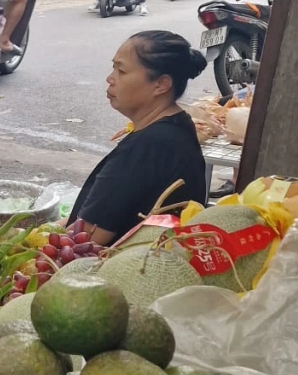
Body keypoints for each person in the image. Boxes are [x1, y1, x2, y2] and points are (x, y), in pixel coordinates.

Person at [71, 31, 209, 246]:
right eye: (113, 67)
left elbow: (85, 240)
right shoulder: (176, 126)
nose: (110, 78)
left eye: (122, 70)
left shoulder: (149, 146)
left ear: (161, 85)